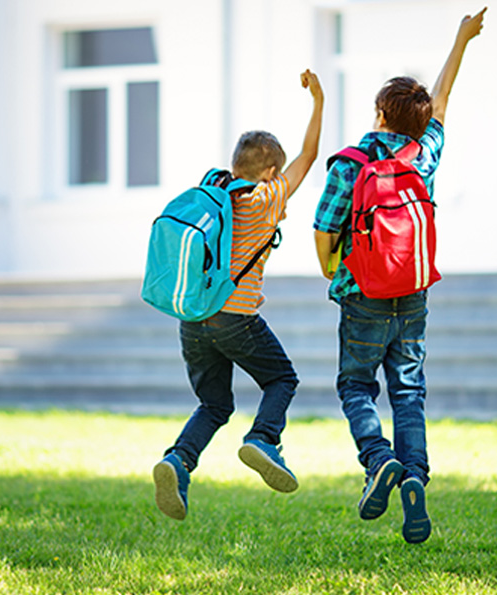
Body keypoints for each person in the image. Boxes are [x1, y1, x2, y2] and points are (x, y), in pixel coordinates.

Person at [312, 8, 486, 544]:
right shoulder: (423, 154)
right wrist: (462, 38)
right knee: (408, 392)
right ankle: (414, 479)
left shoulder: (350, 162)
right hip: (411, 293)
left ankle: (378, 458)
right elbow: (445, 98)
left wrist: (333, 272)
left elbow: (324, 229)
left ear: (379, 114)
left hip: (360, 292)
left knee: (355, 385)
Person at [153, 70, 324, 521]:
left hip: (193, 317)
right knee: (282, 380)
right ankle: (263, 439)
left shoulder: (214, 192)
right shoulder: (267, 198)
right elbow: (309, 154)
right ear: (269, 171)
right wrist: (318, 101)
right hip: (237, 317)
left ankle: (178, 461)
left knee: (213, 404)